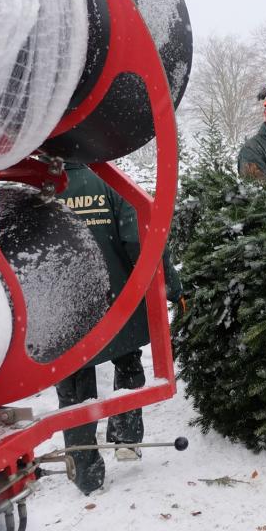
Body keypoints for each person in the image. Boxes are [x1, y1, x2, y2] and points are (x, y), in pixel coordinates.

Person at [55, 163, 183, 495]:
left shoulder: (40, 185)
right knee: (127, 360)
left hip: (62, 310)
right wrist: (170, 284)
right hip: (116, 300)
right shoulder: (110, 181)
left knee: (74, 385)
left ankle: (85, 470)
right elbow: (141, 239)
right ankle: (126, 439)